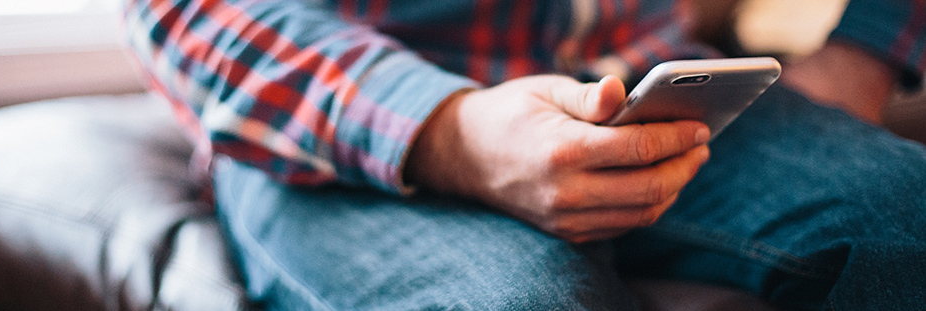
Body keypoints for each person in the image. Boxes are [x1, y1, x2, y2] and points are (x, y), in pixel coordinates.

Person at [124, 0, 926, 309]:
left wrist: (865, 49)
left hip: (637, 76)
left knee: (910, 223)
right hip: (326, 130)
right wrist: (446, 132)